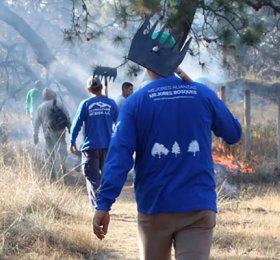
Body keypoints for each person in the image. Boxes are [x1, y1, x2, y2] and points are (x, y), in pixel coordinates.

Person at [92, 27, 242, 260]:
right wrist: (201, 92)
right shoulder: (202, 94)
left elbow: (119, 157)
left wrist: (104, 204)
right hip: (198, 206)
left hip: (156, 206)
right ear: (175, 62)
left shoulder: (135, 103)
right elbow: (233, 133)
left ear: (147, 66)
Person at [69, 76, 119, 209]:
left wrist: (72, 141)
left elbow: (76, 124)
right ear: (101, 87)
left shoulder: (85, 104)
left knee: (92, 178)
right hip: (108, 147)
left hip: (90, 147)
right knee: (105, 177)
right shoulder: (111, 103)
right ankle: (104, 205)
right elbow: (120, 123)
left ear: (89, 89)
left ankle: (97, 206)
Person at [33, 88, 71, 178]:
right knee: (62, 148)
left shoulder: (40, 107)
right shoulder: (59, 104)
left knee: (50, 151)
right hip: (60, 131)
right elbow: (67, 116)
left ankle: (52, 174)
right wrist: (70, 128)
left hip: (48, 132)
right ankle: (63, 168)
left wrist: (35, 135)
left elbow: (36, 123)